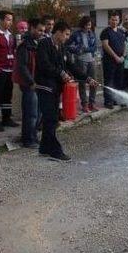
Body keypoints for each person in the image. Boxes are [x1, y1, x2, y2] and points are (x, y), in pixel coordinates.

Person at [35, 21, 98, 160]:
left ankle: (44, 148)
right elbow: (44, 64)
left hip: (55, 87)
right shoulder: (44, 44)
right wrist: (60, 73)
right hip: (45, 86)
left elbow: (71, 66)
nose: (68, 37)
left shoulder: (62, 47)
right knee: (52, 119)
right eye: (66, 34)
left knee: (49, 119)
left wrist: (87, 78)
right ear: (58, 32)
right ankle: (55, 151)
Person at [14, 18, 45, 148]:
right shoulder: (25, 46)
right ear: (32, 28)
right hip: (29, 84)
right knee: (31, 113)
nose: (41, 33)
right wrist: (31, 81)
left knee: (38, 113)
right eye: (39, 30)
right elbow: (22, 66)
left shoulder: (37, 44)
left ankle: (33, 136)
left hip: (38, 83)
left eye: (43, 31)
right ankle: (28, 139)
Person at [67, 16, 98, 112]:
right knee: (82, 83)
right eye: (86, 25)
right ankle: (84, 104)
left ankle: (92, 103)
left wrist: (85, 49)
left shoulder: (92, 34)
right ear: (82, 24)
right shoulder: (76, 34)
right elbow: (68, 45)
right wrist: (77, 50)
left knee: (94, 82)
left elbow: (94, 47)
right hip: (80, 61)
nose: (88, 27)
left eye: (89, 25)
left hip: (91, 60)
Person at [100, 13, 126, 109]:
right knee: (109, 81)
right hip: (109, 61)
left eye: (116, 20)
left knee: (119, 81)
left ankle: (117, 100)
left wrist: (123, 56)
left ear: (119, 21)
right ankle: (108, 102)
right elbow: (106, 45)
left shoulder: (121, 32)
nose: (114, 22)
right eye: (112, 20)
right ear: (109, 20)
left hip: (120, 61)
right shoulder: (105, 32)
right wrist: (115, 57)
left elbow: (125, 45)